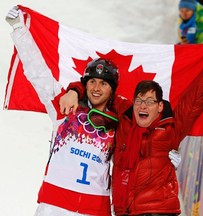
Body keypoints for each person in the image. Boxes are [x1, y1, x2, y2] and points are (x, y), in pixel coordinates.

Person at [60, 38, 203, 215]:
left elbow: (198, 92)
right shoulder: (123, 120)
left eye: (149, 101)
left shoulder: (171, 129)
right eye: (139, 100)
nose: (143, 106)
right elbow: (98, 91)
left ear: (160, 106)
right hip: (124, 211)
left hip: (157, 211)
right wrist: (74, 90)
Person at [6, 7, 120, 216]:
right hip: (54, 206)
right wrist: (19, 30)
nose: (96, 88)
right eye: (92, 81)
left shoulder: (119, 123)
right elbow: (38, 73)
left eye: (103, 84)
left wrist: (166, 154)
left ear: (112, 90)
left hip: (93, 209)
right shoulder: (66, 108)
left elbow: (137, 152)